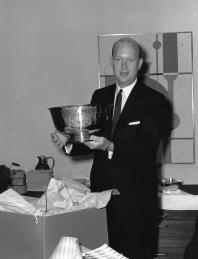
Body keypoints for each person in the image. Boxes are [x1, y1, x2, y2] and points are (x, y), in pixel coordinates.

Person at [51, 37, 172, 259]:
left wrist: (111, 145)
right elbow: (89, 140)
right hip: (101, 201)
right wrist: (68, 142)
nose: (124, 66)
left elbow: (146, 150)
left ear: (140, 63)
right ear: (112, 62)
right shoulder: (100, 96)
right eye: (118, 59)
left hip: (135, 203)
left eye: (130, 60)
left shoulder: (155, 101)